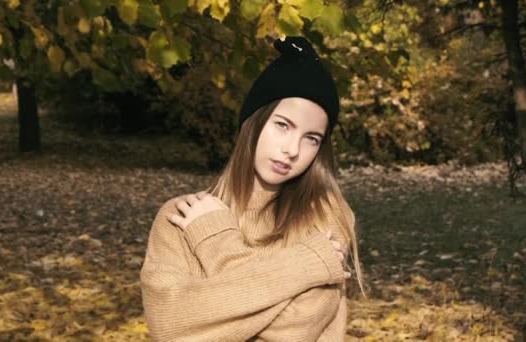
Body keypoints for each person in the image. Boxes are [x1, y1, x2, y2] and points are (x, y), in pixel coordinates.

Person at [140, 35, 364, 341]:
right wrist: (306, 263)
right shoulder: (179, 218)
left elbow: (293, 330)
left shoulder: (325, 218)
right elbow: (169, 324)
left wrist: (215, 241)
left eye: (311, 138)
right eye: (283, 125)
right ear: (253, 122)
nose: (293, 149)